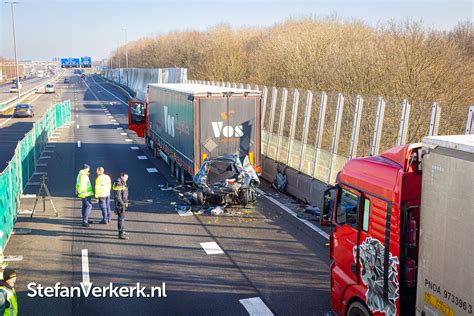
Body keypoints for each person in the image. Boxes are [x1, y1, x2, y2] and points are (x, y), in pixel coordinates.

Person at [113, 172, 130, 240]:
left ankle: (122, 231)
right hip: (120, 204)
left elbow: (124, 194)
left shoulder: (122, 182)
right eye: (125, 177)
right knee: (121, 219)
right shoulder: (118, 183)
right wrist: (123, 204)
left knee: (122, 218)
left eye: (127, 177)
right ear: (122, 177)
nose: (126, 179)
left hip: (122, 203)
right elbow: (118, 196)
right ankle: (120, 234)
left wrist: (126, 202)